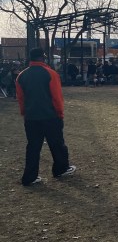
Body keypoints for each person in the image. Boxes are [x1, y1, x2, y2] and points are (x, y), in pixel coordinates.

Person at [15, 48, 76, 186]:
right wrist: (60, 113)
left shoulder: (21, 76)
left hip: (31, 118)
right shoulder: (50, 73)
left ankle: (29, 177)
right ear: (42, 58)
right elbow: (57, 97)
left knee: (33, 147)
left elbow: (21, 98)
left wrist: (25, 113)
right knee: (57, 144)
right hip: (50, 116)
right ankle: (61, 169)